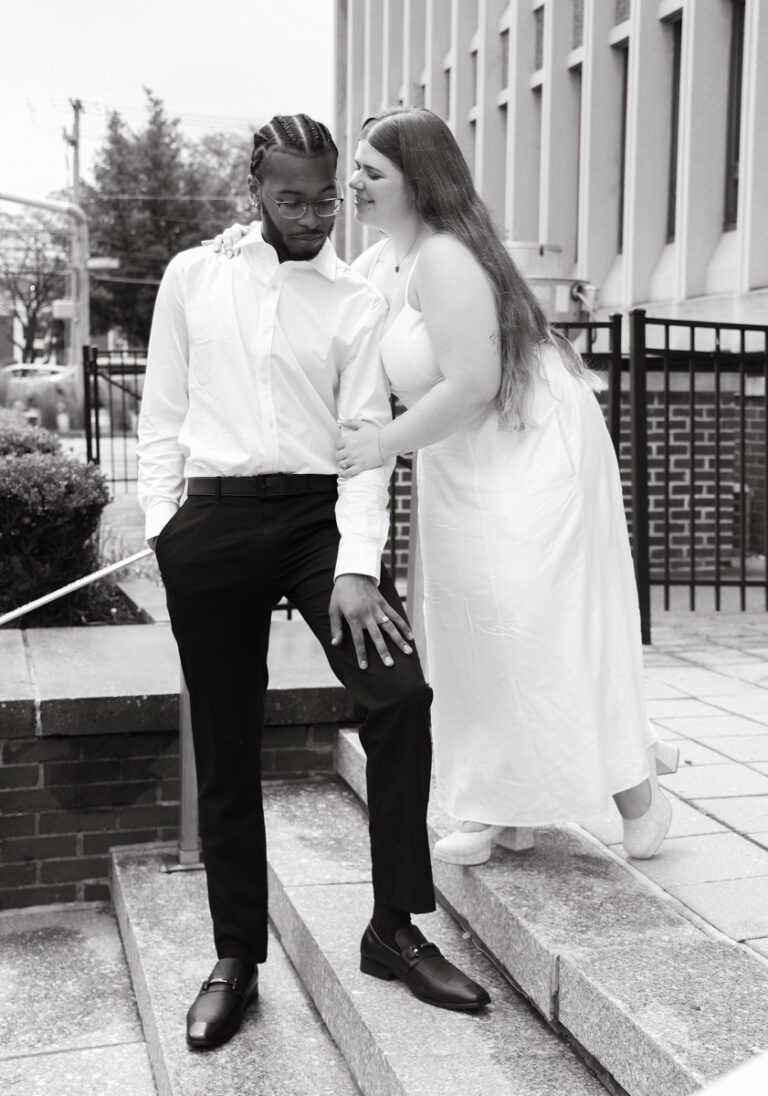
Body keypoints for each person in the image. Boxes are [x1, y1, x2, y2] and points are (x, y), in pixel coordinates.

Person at [214, 106, 678, 868]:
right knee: (471, 628)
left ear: (417, 180)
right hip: (462, 459)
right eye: (355, 170)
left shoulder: (445, 256)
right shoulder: (385, 260)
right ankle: (499, 804)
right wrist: (244, 245)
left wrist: (380, 443)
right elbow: (310, 279)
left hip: (529, 450)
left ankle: (636, 788)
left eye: (370, 172)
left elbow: (474, 384)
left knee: (535, 622)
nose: (352, 185)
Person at [137, 112, 489, 1052]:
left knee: (399, 694)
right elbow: (161, 413)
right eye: (288, 199)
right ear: (254, 190)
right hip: (211, 521)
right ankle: (236, 958)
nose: (309, 216)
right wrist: (165, 527)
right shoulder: (193, 275)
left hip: (315, 519)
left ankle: (394, 929)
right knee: (225, 740)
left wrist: (358, 564)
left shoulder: (355, 299)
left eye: (324, 198)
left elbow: (366, 440)